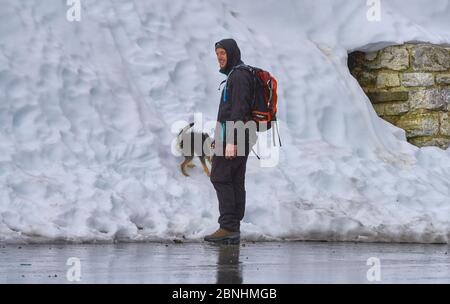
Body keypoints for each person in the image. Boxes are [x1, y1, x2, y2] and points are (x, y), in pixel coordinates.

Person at [204, 38, 257, 244]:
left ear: (232, 53)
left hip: (236, 136)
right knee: (234, 179)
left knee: (219, 176)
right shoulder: (235, 75)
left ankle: (228, 226)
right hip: (234, 135)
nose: (219, 58)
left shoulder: (240, 76)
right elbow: (228, 111)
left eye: (223, 54)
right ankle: (232, 226)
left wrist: (232, 141)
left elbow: (239, 110)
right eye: (217, 54)